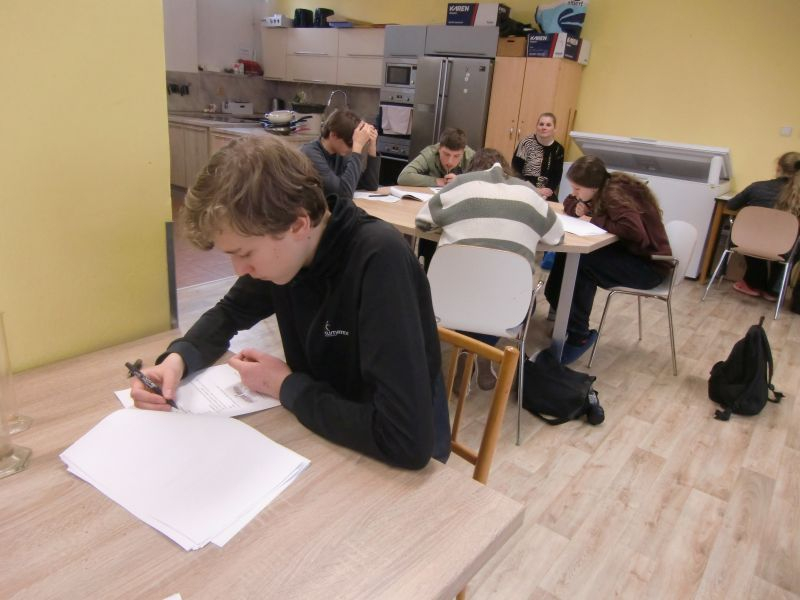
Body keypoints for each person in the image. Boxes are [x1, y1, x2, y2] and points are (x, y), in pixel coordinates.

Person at [131, 136, 450, 470]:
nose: (240, 270)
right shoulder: (291, 251)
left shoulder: (379, 259)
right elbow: (230, 312)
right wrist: (178, 359)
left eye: (245, 253)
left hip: (392, 461)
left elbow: (405, 440)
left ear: (298, 224)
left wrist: (284, 385)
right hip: (326, 432)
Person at [416, 148, 564, 389]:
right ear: (507, 171)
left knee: (468, 287)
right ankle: (483, 349)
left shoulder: (460, 185)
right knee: (511, 297)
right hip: (507, 307)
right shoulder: (529, 192)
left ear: (471, 170)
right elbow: (556, 237)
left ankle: (466, 350)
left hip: (448, 300)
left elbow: (422, 222)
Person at [544, 155, 672, 365]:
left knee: (583, 264)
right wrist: (578, 206)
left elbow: (634, 231)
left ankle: (579, 334)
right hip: (632, 257)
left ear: (593, 186)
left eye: (577, 188)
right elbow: (570, 202)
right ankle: (563, 315)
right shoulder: (601, 187)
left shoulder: (615, 195)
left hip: (650, 268)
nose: (574, 192)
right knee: (567, 254)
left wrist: (593, 217)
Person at [726, 151, 800, 301]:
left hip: (750, 243)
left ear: (778, 167)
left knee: (752, 235)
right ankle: (774, 290)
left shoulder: (757, 187)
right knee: (791, 242)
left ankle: (753, 283)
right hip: (784, 247)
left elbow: (731, 205)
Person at [300, 108, 380, 203]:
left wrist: (372, 146)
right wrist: (357, 147)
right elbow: (344, 194)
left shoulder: (339, 152)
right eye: (350, 144)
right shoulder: (310, 154)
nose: (352, 149)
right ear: (333, 135)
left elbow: (370, 185)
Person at [511, 112, 565, 199]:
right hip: (525, 189)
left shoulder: (559, 149)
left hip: (546, 193)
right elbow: (516, 171)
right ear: (536, 126)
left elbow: (557, 176)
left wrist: (547, 192)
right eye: (541, 124)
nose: (544, 127)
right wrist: (534, 190)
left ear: (554, 129)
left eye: (548, 125)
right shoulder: (526, 143)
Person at [397, 128, 475, 187]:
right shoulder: (430, 153)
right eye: (446, 154)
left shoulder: (471, 156)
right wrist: (437, 181)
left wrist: (460, 181)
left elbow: (482, 182)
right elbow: (403, 177)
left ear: (463, 152)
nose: (450, 161)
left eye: (456, 156)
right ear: (439, 148)